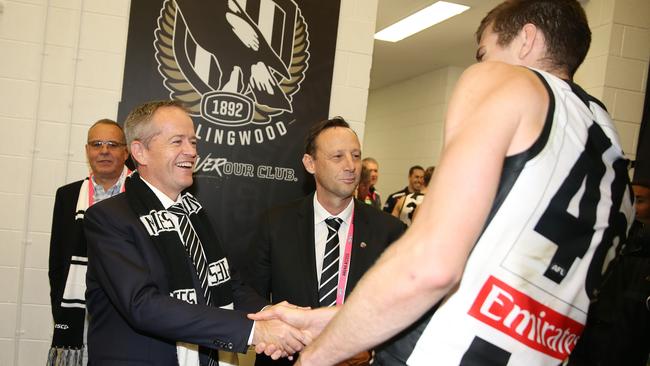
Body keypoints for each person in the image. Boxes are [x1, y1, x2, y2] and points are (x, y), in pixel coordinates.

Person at [252, 1, 635, 365]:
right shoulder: (605, 136)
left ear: (527, 39)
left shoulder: (505, 81)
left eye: (483, 53)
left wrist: (316, 357)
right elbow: (484, 286)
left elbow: (431, 268)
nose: (480, 65)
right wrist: (331, 320)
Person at [84, 100, 306, 365]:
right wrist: (253, 331)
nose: (191, 152)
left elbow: (229, 286)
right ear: (140, 152)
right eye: (177, 141)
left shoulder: (196, 215)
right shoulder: (109, 218)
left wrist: (268, 313)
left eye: (193, 142)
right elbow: (142, 305)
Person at [247, 117, 405, 365]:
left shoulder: (389, 231)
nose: (351, 166)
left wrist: (373, 349)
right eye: (338, 156)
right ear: (310, 164)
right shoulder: (275, 224)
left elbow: (403, 307)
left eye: (356, 155)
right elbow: (250, 293)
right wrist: (277, 329)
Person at [47, 119, 130, 365]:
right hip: (80, 314)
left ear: (126, 152)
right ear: (87, 151)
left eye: (112, 144)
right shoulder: (67, 195)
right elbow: (57, 262)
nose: (104, 150)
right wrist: (62, 311)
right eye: (97, 144)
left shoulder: (143, 195)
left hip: (127, 311)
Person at [567, 178, 650, 366]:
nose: (635, 206)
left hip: (628, 342)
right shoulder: (613, 236)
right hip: (591, 334)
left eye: (641, 200)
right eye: (632, 201)